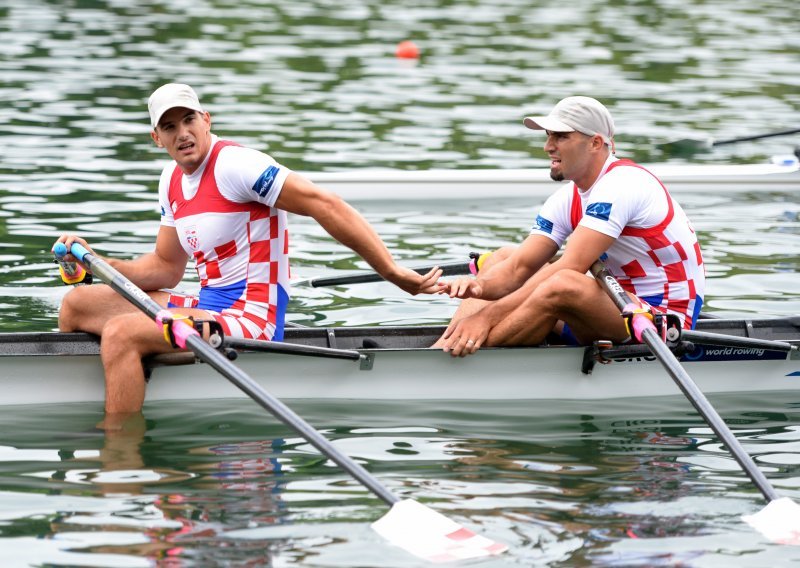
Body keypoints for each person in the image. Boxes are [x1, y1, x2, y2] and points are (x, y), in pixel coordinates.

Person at [55, 83, 441, 419]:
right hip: (208, 305)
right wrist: (97, 263)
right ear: (157, 138)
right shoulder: (171, 179)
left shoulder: (238, 165)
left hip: (253, 315)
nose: (183, 133)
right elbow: (164, 268)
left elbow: (327, 204)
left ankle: (120, 454)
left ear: (207, 120)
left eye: (189, 120)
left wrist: (392, 272)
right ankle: (129, 367)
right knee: (78, 304)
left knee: (122, 331)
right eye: (170, 127)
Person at [436, 96, 705, 357]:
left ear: (595, 143)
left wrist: (487, 314)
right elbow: (518, 268)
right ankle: (445, 346)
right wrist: (478, 289)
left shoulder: (623, 184)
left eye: (560, 137)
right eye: (548, 136)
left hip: (661, 321)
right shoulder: (568, 198)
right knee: (501, 258)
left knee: (564, 283)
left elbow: (569, 267)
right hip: (614, 305)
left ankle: (452, 362)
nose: (548, 146)